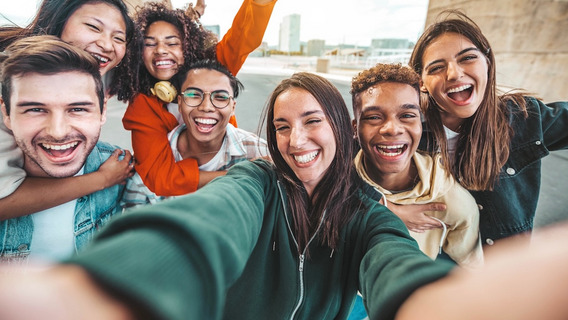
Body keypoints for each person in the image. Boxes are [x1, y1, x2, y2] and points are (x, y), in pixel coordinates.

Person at [0, 73, 567, 320]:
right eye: (281, 126)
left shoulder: (366, 215)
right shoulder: (256, 182)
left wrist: (434, 303)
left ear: (342, 130)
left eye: (313, 121)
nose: (296, 142)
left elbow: (394, 263)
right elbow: (206, 223)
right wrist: (116, 286)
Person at [406, 10, 568, 246]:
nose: (454, 73)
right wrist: (387, 208)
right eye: (437, 67)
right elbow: (345, 174)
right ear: (421, 82)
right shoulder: (405, 130)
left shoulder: (523, 117)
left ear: (488, 63)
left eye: (467, 58)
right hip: (437, 273)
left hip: (506, 274)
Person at [116, 0, 276, 196]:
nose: (160, 50)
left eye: (172, 43)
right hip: (182, 198)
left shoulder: (211, 69)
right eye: (149, 44)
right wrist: (238, 174)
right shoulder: (142, 107)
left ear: (187, 47)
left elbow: (243, 38)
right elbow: (160, 178)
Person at [0, 36, 134, 263]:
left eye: (78, 109)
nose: (58, 132)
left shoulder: (120, 167)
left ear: (102, 112)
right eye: (35, 109)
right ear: (7, 115)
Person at [0, 0, 134, 218]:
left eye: (118, 38)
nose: (108, 46)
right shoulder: (11, 79)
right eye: (93, 27)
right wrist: (101, 180)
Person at [351, 63, 483, 267]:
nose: (392, 129)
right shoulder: (334, 180)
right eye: (374, 117)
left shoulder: (453, 204)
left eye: (407, 116)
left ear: (420, 125)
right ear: (355, 128)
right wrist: (386, 208)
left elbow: (472, 269)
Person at [121, 59, 268, 207]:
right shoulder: (147, 174)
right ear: (179, 103)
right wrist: (241, 175)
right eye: (194, 95)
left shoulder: (261, 154)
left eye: (220, 97)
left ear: (232, 107)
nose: (206, 107)